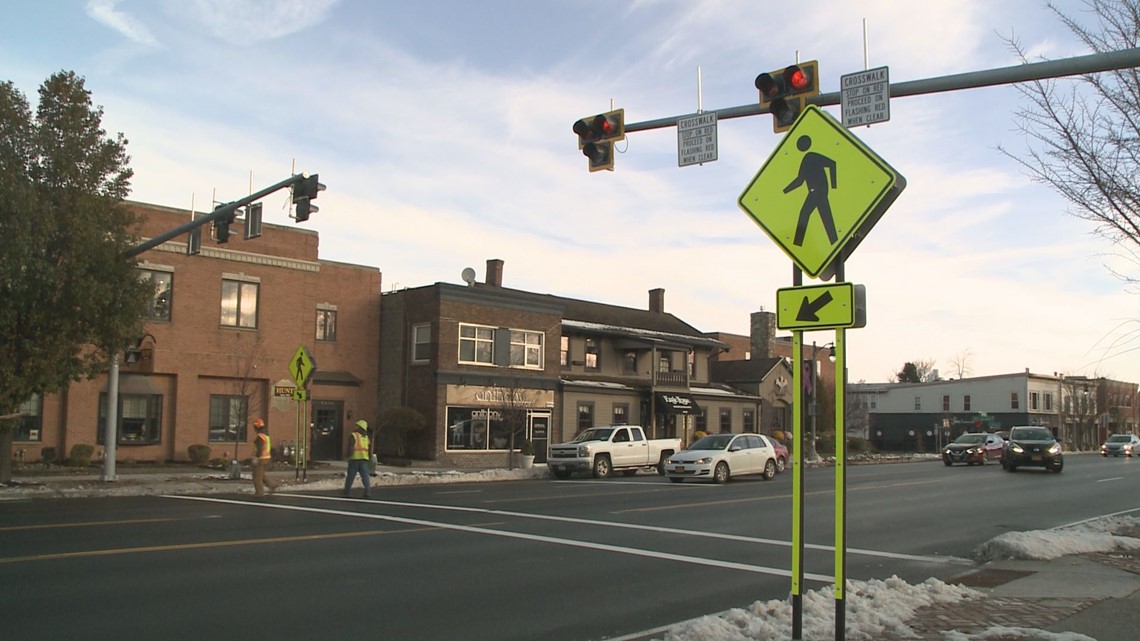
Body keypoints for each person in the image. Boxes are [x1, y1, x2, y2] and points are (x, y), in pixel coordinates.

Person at [251, 418, 279, 496]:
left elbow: (259, 449)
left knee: (257, 477)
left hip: (261, 459)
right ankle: (272, 485)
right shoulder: (266, 436)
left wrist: (256, 458)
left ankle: (259, 493)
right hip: (267, 458)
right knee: (261, 475)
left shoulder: (260, 437)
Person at [344, 419, 371, 498]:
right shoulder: (366, 437)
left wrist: (348, 456)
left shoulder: (354, 435)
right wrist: (369, 457)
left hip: (354, 459)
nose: (356, 426)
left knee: (350, 476)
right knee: (365, 477)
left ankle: (347, 491)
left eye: (357, 425)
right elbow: (369, 447)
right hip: (364, 459)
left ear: (360, 427)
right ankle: (367, 492)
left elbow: (351, 447)